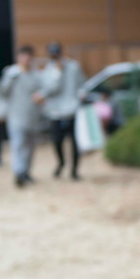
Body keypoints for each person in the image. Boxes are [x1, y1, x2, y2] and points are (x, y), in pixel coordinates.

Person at [1, 45, 45, 187]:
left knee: (30, 147)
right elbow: (3, 91)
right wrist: (10, 77)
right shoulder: (11, 73)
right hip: (16, 117)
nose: (26, 59)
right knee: (18, 145)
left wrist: (41, 97)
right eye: (23, 56)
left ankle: (26, 172)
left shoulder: (36, 75)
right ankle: (19, 172)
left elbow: (43, 91)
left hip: (32, 117)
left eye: (28, 56)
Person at [41, 41, 85, 179]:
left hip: (72, 110)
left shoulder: (73, 66)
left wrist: (81, 95)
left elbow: (82, 83)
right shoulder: (48, 70)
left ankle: (74, 170)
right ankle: (61, 163)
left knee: (75, 142)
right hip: (56, 112)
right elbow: (49, 90)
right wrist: (57, 73)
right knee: (57, 141)